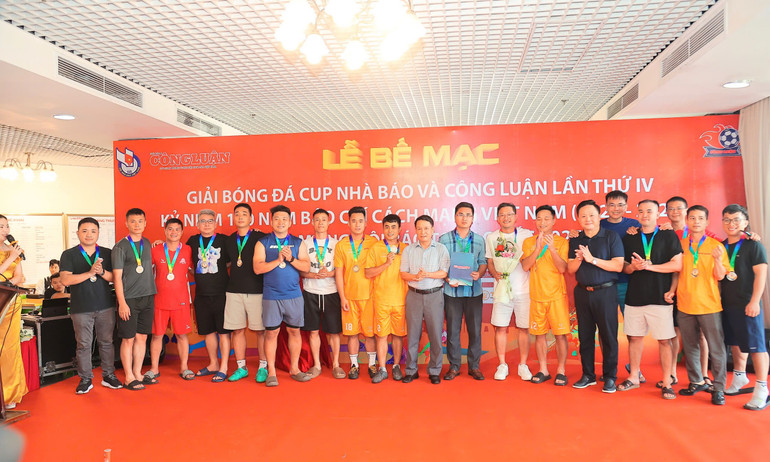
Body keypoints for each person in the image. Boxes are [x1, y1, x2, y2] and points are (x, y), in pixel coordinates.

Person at [617, 200, 682, 399]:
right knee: (635, 338)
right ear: (637, 214)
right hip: (635, 297)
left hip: (660, 297)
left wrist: (649, 266)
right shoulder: (630, 237)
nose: (644, 215)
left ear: (657, 213)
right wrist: (633, 267)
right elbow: (623, 266)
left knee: (664, 340)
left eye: (649, 211)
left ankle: (667, 382)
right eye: (641, 211)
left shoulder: (667, 234)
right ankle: (634, 377)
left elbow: (677, 265)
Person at [58, 217, 122, 394]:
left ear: (98, 233)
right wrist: (89, 273)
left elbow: (114, 278)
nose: (89, 234)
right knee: (83, 345)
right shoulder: (69, 254)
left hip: (105, 306)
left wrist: (101, 272)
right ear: (78, 233)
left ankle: (109, 375)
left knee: (107, 342)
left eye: (93, 231)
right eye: (84, 231)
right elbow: (65, 280)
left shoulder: (107, 253)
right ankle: (86, 379)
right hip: (81, 308)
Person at [673, 205, 729, 405]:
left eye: (700, 218)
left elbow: (721, 276)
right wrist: (671, 291)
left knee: (716, 348)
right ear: (687, 221)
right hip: (685, 304)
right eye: (692, 218)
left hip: (709, 306)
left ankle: (719, 388)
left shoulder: (716, 246)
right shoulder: (680, 245)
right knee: (690, 346)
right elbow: (676, 271)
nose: (696, 222)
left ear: (707, 222)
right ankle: (696, 381)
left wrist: (718, 260)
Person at [568, 200, 624, 393]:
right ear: (578, 218)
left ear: (599, 216)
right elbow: (570, 269)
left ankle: (610, 377)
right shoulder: (575, 239)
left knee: (608, 336)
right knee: (584, 336)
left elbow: (618, 265)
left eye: (591, 215)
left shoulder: (611, 237)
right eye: (583, 216)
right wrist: (579, 259)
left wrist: (592, 259)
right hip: (582, 292)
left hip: (606, 292)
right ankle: (588, 375)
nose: (588, 219)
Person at [254, 205, 312, 386]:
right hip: (271, 296)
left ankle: (294, 369)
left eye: (284, 219)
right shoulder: (263, 242)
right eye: (277, 218)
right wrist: (278, 260)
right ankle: (271, 372)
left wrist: (291, 259)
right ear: (271, 221)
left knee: (294, 331)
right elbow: (257, 268)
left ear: (290, 222)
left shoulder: (297, 242)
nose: (280, 222)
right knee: (271, 333)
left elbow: (306, 267)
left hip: (293, 295)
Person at [719, 205, 769, 410]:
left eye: (736, 220)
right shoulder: (721, 246)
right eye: (727, 219)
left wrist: (755, 301)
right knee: (735, 343)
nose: (731, 224)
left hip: (748, 304)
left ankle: (762, 388)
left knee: (757, 347)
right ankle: (740, 377)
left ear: (745, 223)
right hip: (727, 304)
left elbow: (761, 275)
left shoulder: (753, 245)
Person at [520, 205, 570, 386]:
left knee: (560, 335)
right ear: (535, 221)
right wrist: (538, 248)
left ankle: (561, 371)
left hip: (557, 296)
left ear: (554, 221)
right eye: (539, 219)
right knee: (539, 335)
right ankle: (543, 369)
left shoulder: (562, 242)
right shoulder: (528, 242)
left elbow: (563, 268)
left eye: (547, 219)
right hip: (537, 296)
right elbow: (526, 266)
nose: (543, 222)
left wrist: (552, 249)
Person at [438, 202, 487, 381]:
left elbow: (483, 263)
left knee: (475, 331)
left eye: (468, 215)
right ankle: (454, 366)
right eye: (460, 214)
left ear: (473, 219)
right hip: (452, 292)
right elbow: (440, 264)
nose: (464, 218)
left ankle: (474, 366)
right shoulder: (444, 239)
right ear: (454, 217)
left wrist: (479, 273)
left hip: (474, 292)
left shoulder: (480, 240)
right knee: (453, 330)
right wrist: (447, 278)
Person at [485, 202, 534, 381]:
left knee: (524, 328)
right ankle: (502, 365)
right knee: (500, 327)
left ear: (515, 217)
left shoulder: (526, 235)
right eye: (502, 215)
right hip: (502, 291)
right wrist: (494, 273)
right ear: (497, 218)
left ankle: (523, 365)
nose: (506, 218)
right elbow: (490, 261)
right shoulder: (491, 237)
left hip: (523, 290)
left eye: (509, 214)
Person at [400, 215, 450, 385]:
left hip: (434, 295)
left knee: (435, 335)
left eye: (426, 228)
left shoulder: (441, 249)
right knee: (413, 335)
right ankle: (411, 370)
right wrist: (415, 277)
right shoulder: (409, 250)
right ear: (415, 230)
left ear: (432, 230)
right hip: (413, 295)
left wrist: (427, 274)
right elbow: (403, 273)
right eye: (419, 228)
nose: (423, 232)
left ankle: (434, 370)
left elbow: (444, 272)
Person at [112, 208, 157, 390]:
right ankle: (129, 377)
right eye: (133, 221)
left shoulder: (147, 243)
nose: (137, 224)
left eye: (140, 221)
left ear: (145, 223)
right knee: (128, 339)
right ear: (126, 223)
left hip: (148, 297)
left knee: (142, 337)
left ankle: (138, 373)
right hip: (129, 299)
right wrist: (122, 303)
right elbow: (116, 278)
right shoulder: (120, 247)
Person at [223, 203, 268, 383]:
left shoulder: (261, 237)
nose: (240, 216)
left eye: (244, 213)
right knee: (237, 330)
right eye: (237, 214)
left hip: (257, 291)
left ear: (251, 218)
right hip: (234, 291)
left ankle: (263, 367)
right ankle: (241, 367)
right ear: (233, 218)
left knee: (261, 331)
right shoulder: (228, 240)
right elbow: (226, 262)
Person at [186, 209, 231, 383]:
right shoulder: (192, 241)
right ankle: (213, 363)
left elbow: (231, 260)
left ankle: (224, 367)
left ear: (215, 223)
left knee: (224, 332)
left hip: (222, 294)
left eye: (210, 221)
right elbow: (179, 254)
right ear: (197, 224)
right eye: (203, 221)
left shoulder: (224, 240)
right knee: (208, 332)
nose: (206, 224)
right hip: (202, 295)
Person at [334, 206, 378, 379]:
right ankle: (354, 365)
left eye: (360, 221)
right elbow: (338, 273)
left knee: (370, 334)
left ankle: (372, 364)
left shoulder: (374, 243)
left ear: (366, 223)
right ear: (348, 223)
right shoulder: (341, 245)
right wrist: (342, 297)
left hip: (369, 297)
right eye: (354, 221)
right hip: (349, 298)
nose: (357, 224)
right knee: (352, 334)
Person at [148, 218, 195, 381]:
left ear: (182, 232)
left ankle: (184, 368)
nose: (173, 232)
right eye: (170, 229)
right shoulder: (155, 250)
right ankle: (154, 368)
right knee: (157, 335)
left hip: (181, 301)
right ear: (165, 231)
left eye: (177, 229)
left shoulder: (188, 250)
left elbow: (195, 270)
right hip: (159, 301)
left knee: (182, 335)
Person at [299, 208, 343, 379]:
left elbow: (341, 270)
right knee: (313, 331)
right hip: (311, 292)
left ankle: (336, 364)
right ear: (312, 222)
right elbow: (300, 270)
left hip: (331, 292)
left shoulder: (337, 244)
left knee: (334, 332)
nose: (320, 223)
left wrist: (330, 273)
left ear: (329, 222)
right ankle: (317, 364)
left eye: (324, 219)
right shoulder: (304, 244)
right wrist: (312, 275)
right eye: (317, 220)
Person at [365, 213, 409, 383]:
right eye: (387, 227)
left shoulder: (406, 249)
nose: (390, 230)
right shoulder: (376, 248)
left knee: (398, 335)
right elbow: (368, 273)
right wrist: (386, 264)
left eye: (393, 227)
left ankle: (396, 366)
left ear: (399, 229)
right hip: (381, 300)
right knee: (381, 336)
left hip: (401, 300)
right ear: (383, 229)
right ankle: (382, 368)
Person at [0, 214, 29, 407]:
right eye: (1, 227)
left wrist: (8, 286)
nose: (5, 230)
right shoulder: (12, 254)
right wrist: (10, 257)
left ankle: (9, 393)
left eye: (7, 226)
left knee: (9, 348)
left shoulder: (14, 249)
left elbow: (20, 276)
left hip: (10, 302)